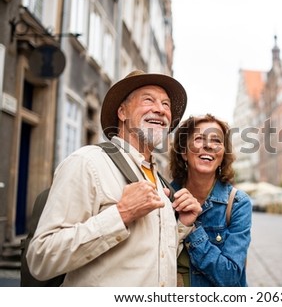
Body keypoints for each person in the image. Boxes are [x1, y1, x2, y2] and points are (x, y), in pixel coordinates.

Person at [26, 70, 202, 286]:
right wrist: (121, 214)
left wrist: (182, 226)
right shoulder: (87, 162)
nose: (160, 109)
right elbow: (41, 258)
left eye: (166, 105)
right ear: (122, 112)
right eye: (148, 100)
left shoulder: (160, 181)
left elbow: (152, 260)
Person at [169, 114, 253, 287]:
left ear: (222, 154)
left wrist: (191, 229)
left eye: (216, 141)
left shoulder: (238, 203)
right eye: (199, 138)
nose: (208, 145)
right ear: (184, 152)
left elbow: (230, 277)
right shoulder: (165, 197)